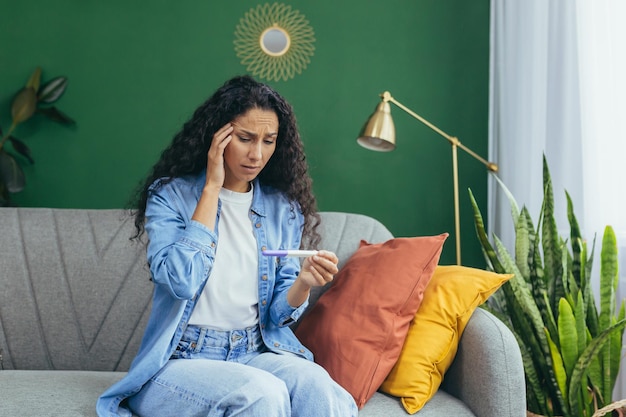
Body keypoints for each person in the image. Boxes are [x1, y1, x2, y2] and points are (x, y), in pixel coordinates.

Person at [96, 75, 358, 417]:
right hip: (181, 359)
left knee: (318, 387)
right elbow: (180, 282)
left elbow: (278, 315)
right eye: (245, 139)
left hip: (254, 351)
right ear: (217, 138)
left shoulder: (284, 210)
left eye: (268, 141)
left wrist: (304, 282)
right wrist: (212, 188)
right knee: (262, 394)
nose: (257, 154)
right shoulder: (171, 196)